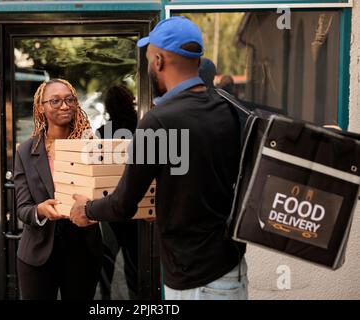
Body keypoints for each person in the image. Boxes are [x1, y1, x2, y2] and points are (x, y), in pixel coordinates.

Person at [70, 16, 248, 300]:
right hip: (231, 269)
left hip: (196, 280)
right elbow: (200, 178)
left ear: (159, 61)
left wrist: (86, 209)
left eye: (149, 55)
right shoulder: (226, 110)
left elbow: (122, 205)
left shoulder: (159, 121)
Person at [14, 78, 103, 300]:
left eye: (69, 99)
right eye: (55, 101)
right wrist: (41, 210)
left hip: (83, 249)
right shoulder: (25, 151)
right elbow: (23, 209)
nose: (64, 106)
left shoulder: (91, 146)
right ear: (41, 107)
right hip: (38, 253)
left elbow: (106, 192)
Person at [96, 85, 139, 300]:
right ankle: (136, 298)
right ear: (130, 101)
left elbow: (97, 169)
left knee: (107, 259)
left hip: (109, 203)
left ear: (108, 106)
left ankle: (104, 299)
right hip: (137, 204)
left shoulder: (102, 133)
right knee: (135, 261)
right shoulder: (142, 128)